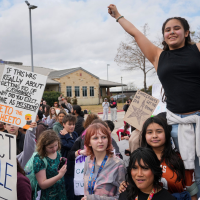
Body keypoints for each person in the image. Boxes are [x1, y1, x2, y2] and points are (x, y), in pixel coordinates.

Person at [108, 4, 200, 197]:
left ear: (186, 32)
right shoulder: (158, 56)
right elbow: (135, 33)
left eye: (176, 28)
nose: (172, 32)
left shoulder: (197, 49)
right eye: (167, 30)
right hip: (175, 124)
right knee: (186, 171)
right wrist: (118, 16)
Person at [120, 116, 198, 199]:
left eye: (159, 131)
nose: (154, 136)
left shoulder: (180, 159)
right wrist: (125, 185)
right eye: (149, 132)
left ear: (167, 133)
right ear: (144, 135)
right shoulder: (139, 159)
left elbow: (192, 191)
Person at [82, 123, 126, 200]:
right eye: (95, 138)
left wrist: (93, 198)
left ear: (108, 140)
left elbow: (122, 197)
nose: (100, 141)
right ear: (89, 142)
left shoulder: (118, 164)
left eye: (103, 137)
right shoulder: (88, 160)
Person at [33, 129, 67, 200]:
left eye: (56, 145)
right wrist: (60, 175)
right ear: (43, 147)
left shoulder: (57, 153)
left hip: (61, 193)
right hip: (48, 196)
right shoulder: (39, 159)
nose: (54, 149)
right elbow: (42, 184)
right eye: (50, 147)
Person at [59, 115, 79, 200]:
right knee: (69, 189)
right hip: (67, 167)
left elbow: (78, 145)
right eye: (69, 124)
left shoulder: (74, 133)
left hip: (76, 166)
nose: (72, 126)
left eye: (73, 124)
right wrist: (67, 135)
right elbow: (72, 146)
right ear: (63, 124)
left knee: (77, 189)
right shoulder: (60, 135)